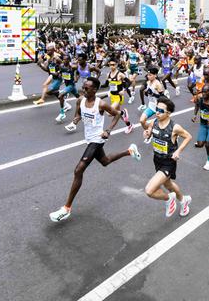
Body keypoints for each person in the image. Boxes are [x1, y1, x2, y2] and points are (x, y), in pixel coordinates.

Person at [49, 77, 141, 222]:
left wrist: (108, 130)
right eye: (83, 87)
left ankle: (66, 208)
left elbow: (118, 114)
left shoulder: (101, 104)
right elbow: (78, 113)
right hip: (88, 137)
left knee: (78, 170)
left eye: (87, 88)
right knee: (105, 161)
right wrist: (75, 120)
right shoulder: (80, 100)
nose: (83, 90)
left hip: (98, 138)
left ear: (95, 90)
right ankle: (129, 151)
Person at [141, 97, 193, 217]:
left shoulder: (175, 127)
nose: (157, 112)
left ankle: (169, 198)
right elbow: (148, 132)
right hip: (157, 159)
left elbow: (188, 136)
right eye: (156, 109)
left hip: (168, 162)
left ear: (168, 113)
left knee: (149, 190)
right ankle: (183, 200)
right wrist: (147, 134)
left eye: (160, 110)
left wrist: (178, 151)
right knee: (168, 184)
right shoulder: (154, 122)